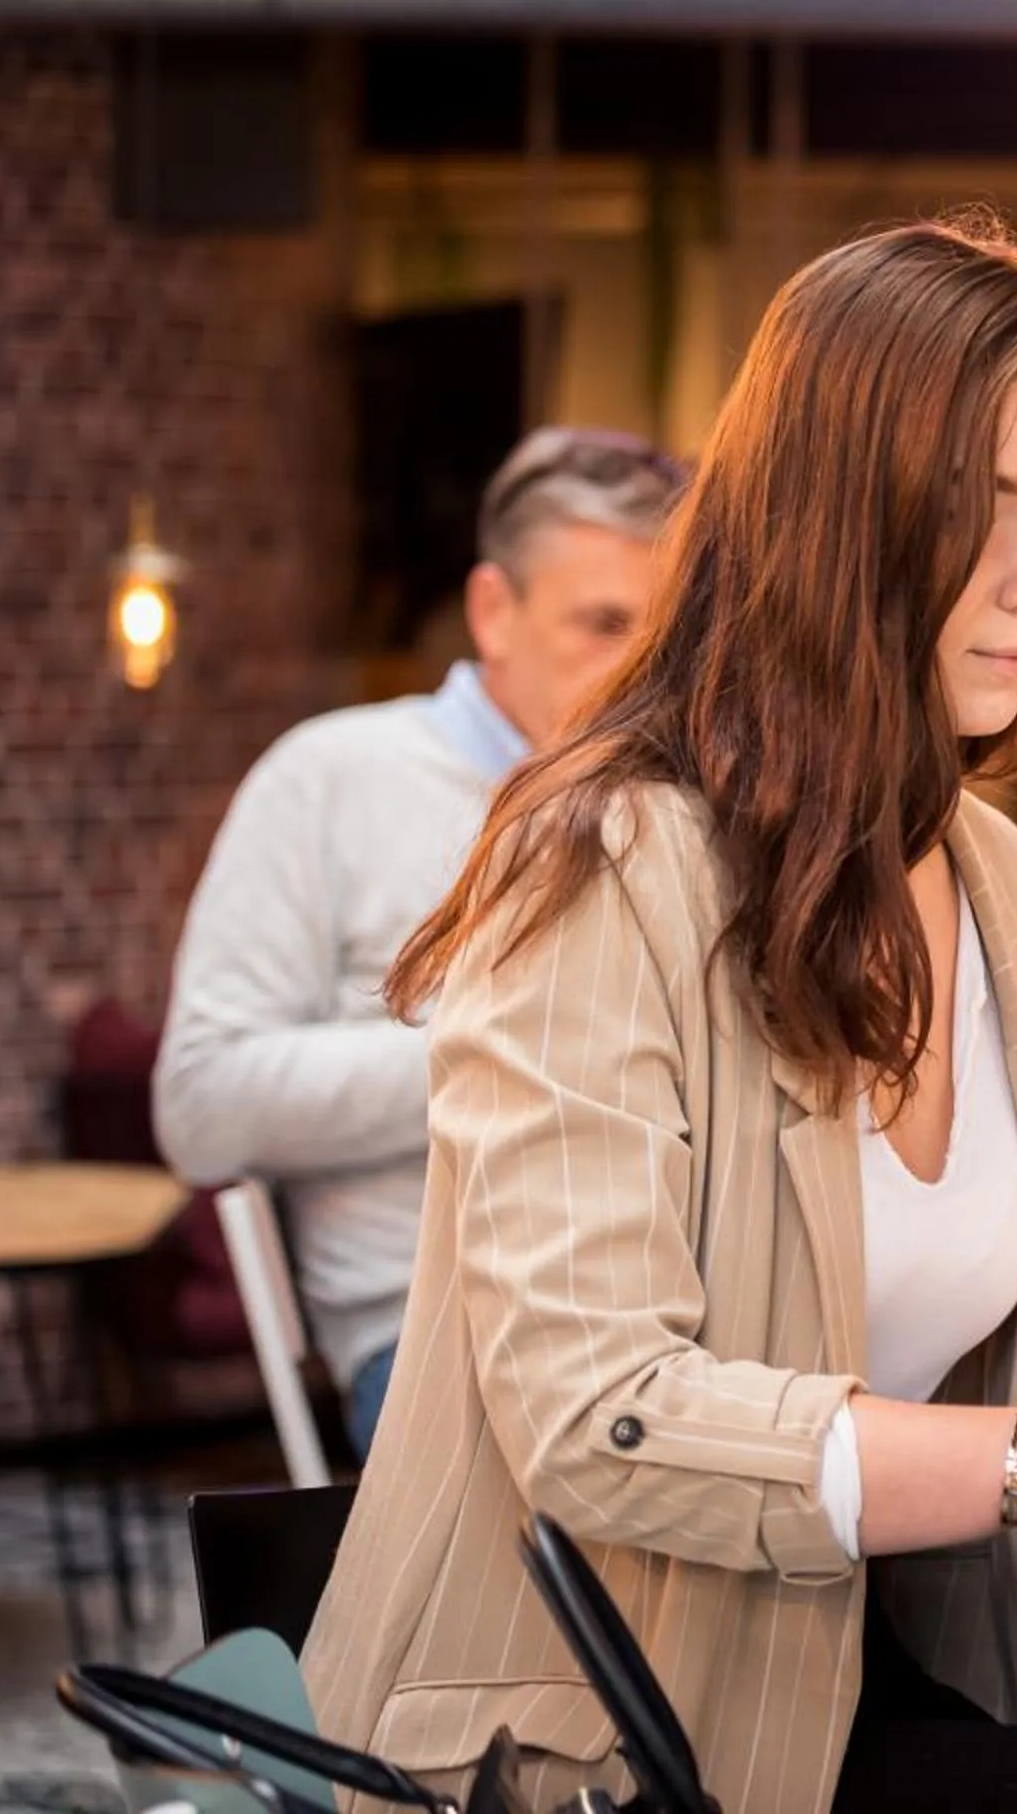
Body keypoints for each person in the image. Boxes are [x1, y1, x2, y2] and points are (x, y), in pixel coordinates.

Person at [300, 215, 1017, 1814]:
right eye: (976, 516)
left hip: (821, 1677)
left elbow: (859, 1278)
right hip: (586, 1751)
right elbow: (603, 1415)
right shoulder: (603, 866)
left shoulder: (979, 862)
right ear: (825, 519)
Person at [155, 427, 682, 1454]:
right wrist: (517, 1048)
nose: (642, 675)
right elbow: (201, 1101)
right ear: (494, 610)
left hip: (685, 1319)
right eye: (605, 624)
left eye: (666, 635)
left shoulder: (688, 802)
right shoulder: (331, 779)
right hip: (441, 1335)